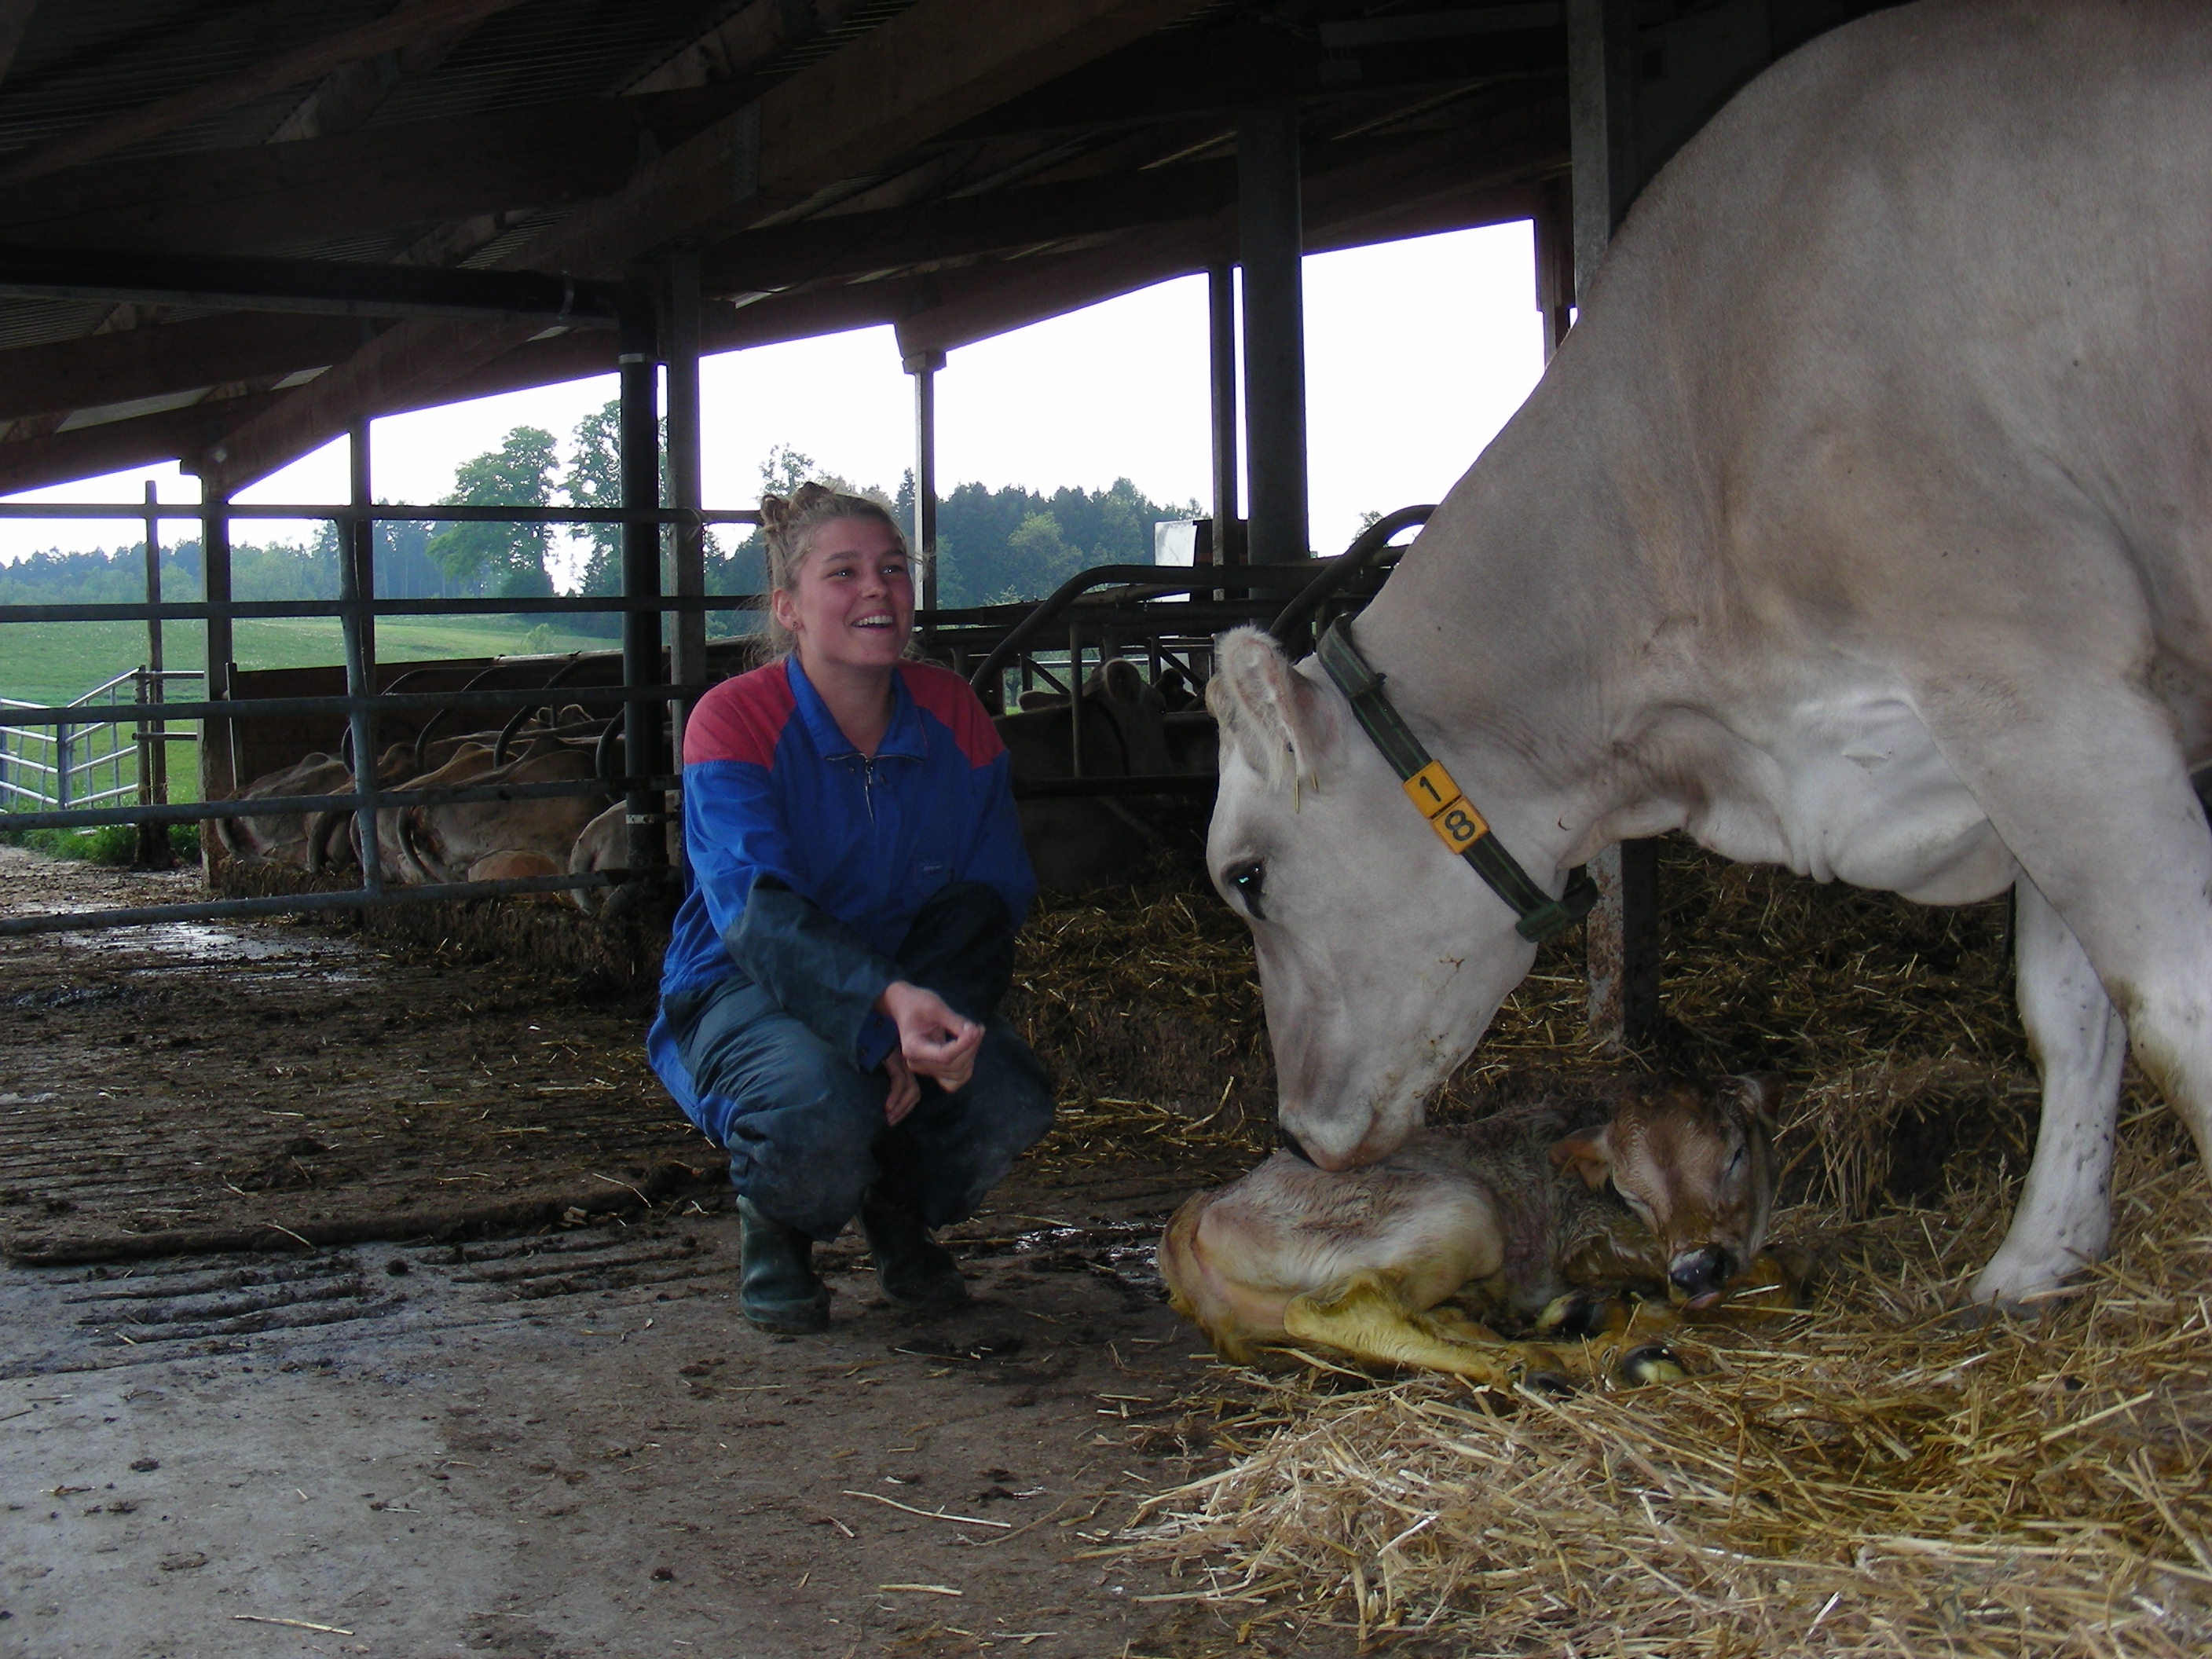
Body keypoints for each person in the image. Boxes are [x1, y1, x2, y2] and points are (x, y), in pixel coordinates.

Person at [647, 482, 1055, 1334]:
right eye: (843, 572)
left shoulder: (952, 714)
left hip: (910, 985)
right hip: (744, 988)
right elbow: (757, 912)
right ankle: (779, 1224)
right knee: (817, 1099)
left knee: (1006, 1095)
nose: (877, 588)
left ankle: (895, 1208)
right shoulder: (732, 722)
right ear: (787, 607)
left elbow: (986, 893)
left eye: (893, 569)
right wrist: (881, 1023)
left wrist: (927, 1023)